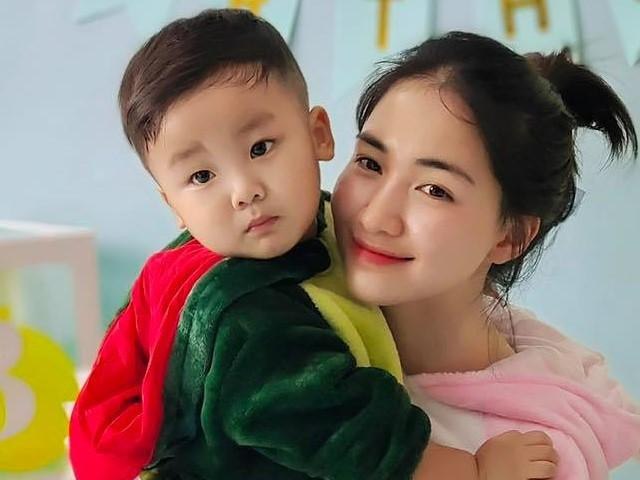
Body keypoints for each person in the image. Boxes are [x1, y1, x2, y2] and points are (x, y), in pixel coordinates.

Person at [69, 12, 555, 480]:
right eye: (201, 176)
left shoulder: (314, 224)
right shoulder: (250, 321)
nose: (244, 191)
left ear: (318, 135)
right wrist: (477, 470)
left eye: (260, 148)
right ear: (174, 205)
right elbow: (357, 441)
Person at [331, 31, 640, 480]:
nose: (376, 217)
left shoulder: (527, 454)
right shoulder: (291, 314)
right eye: (370, 163)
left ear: (510, 236)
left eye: (434, 190)